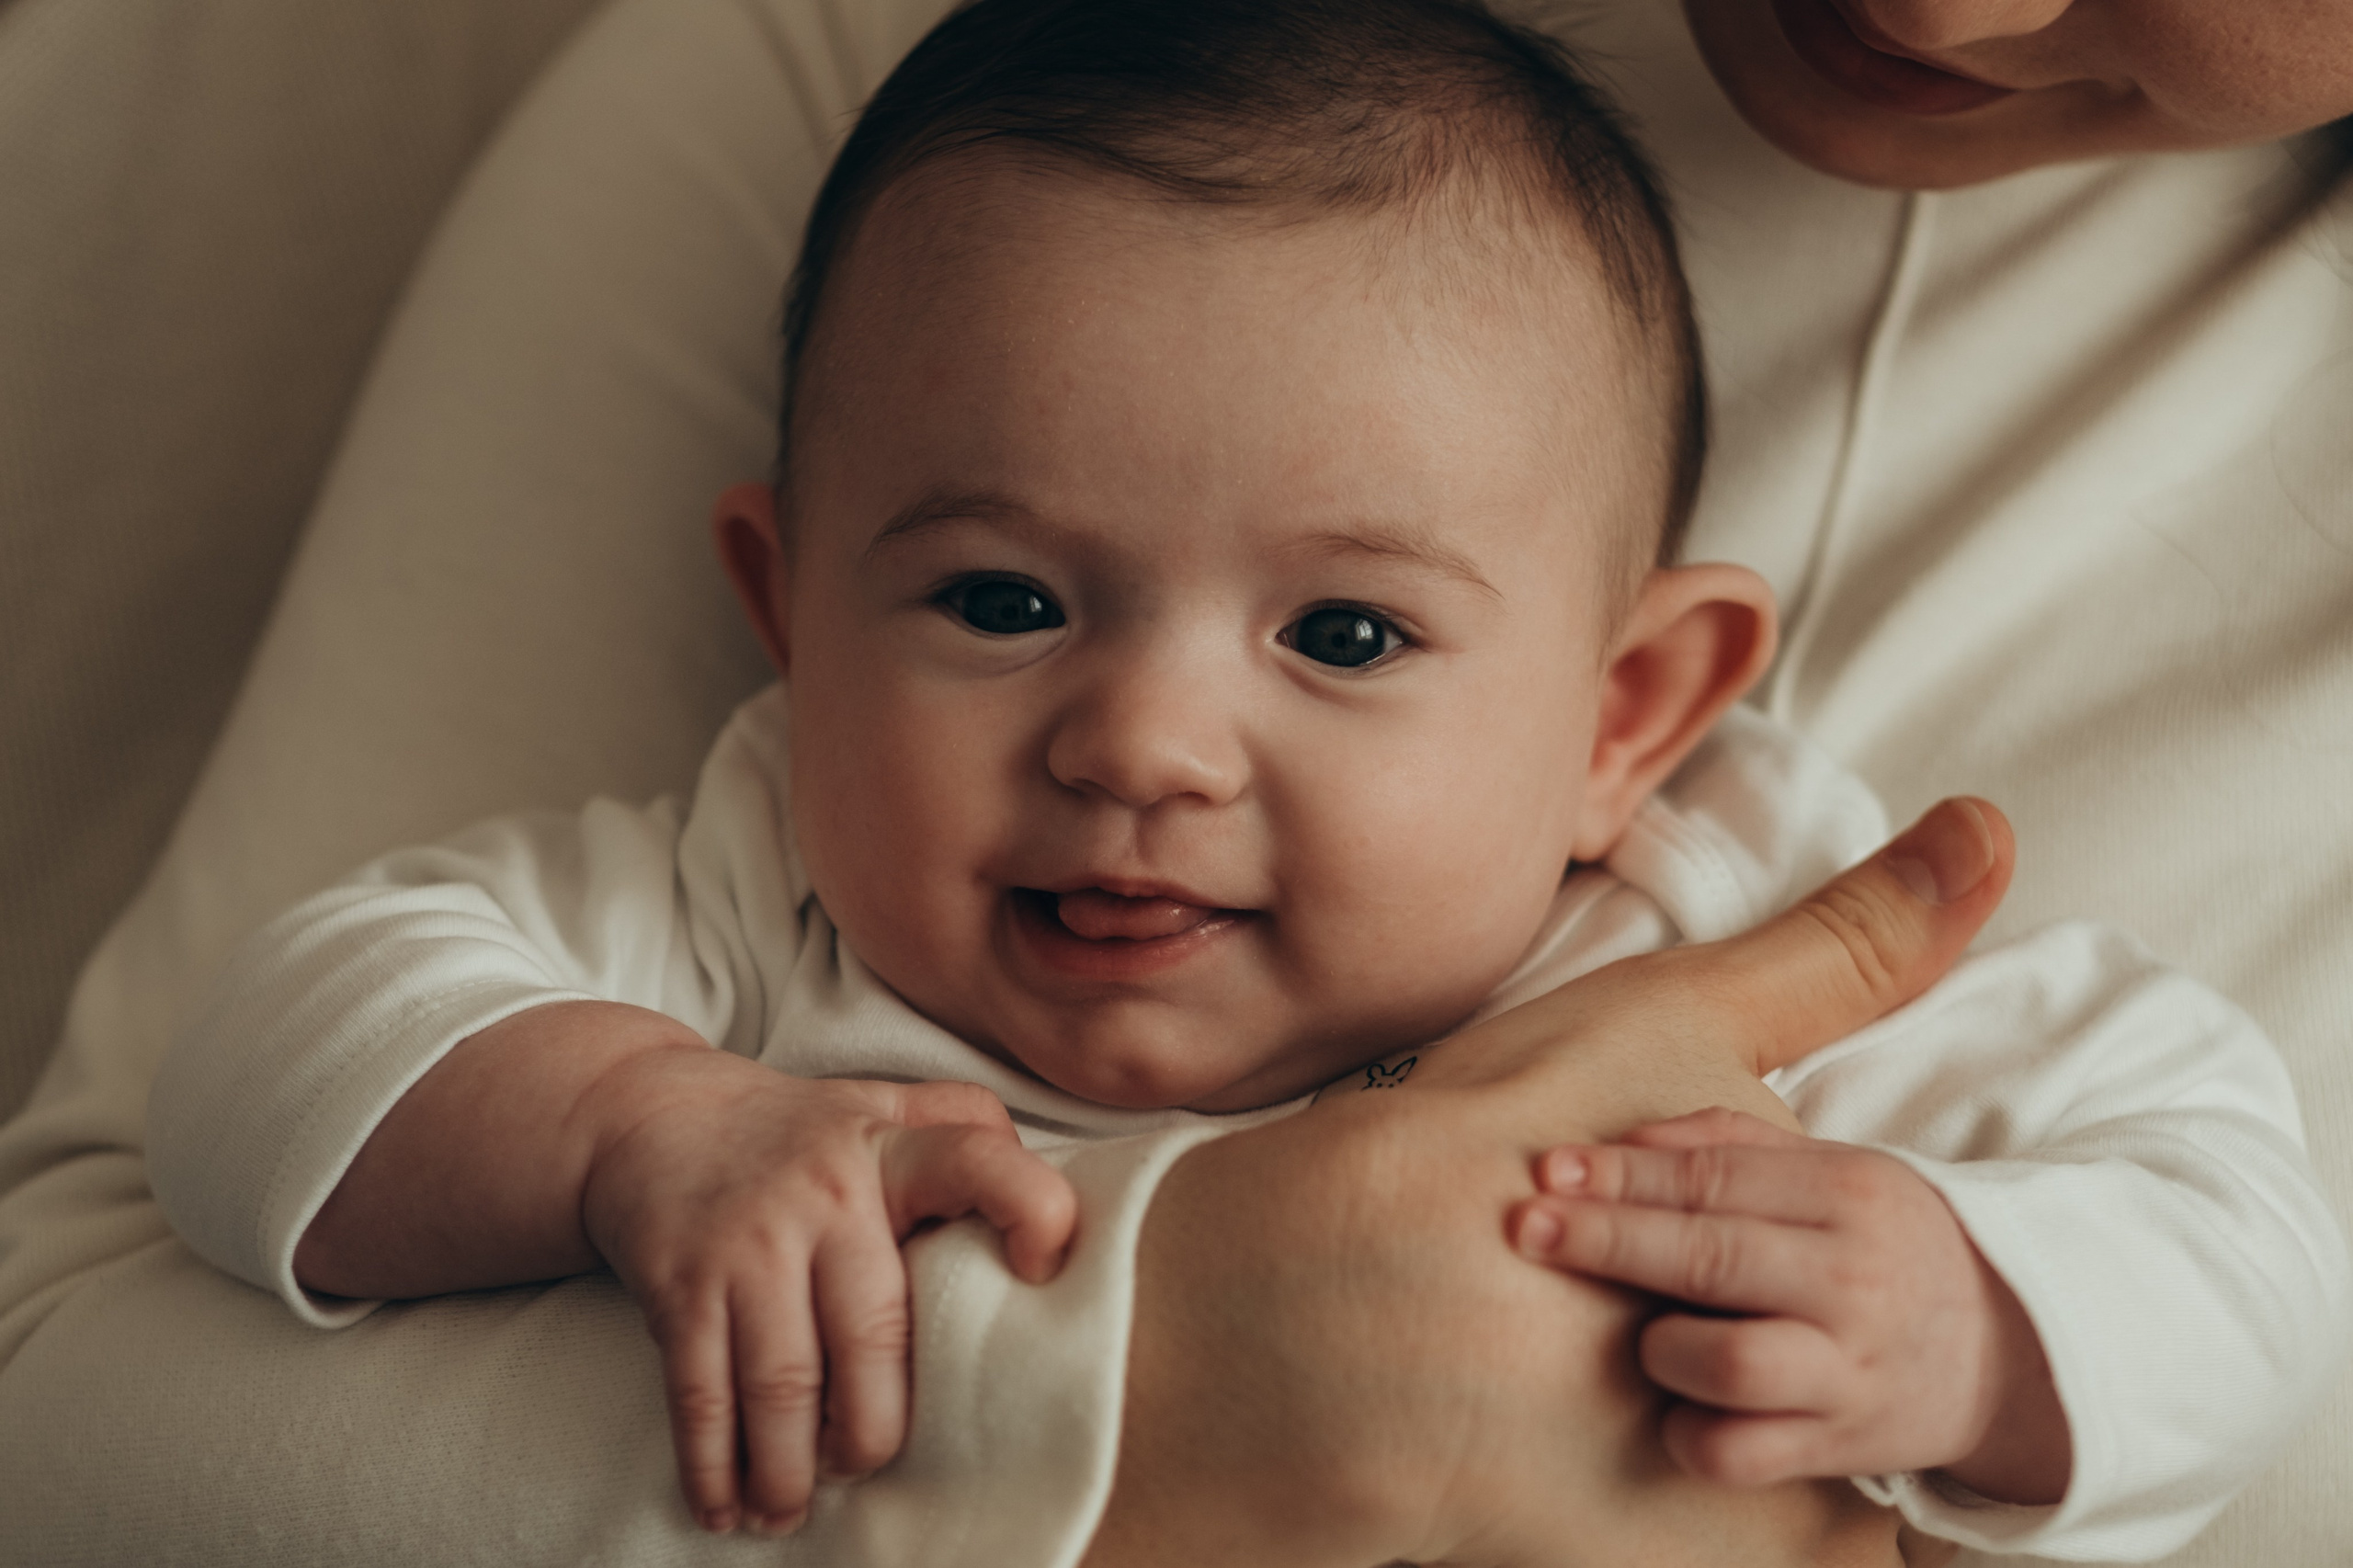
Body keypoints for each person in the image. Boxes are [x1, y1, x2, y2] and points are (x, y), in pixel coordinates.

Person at [4, 1, 2351, 1564]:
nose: (1134, 743)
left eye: (1343, 637)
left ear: (1628, 712)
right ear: (788, 608)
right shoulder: (746, 896)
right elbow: (259, 1077)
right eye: (1001, 601)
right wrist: (623, 1127)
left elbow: (2234, 1221)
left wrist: (1976, 1312)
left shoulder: (1707, 896)